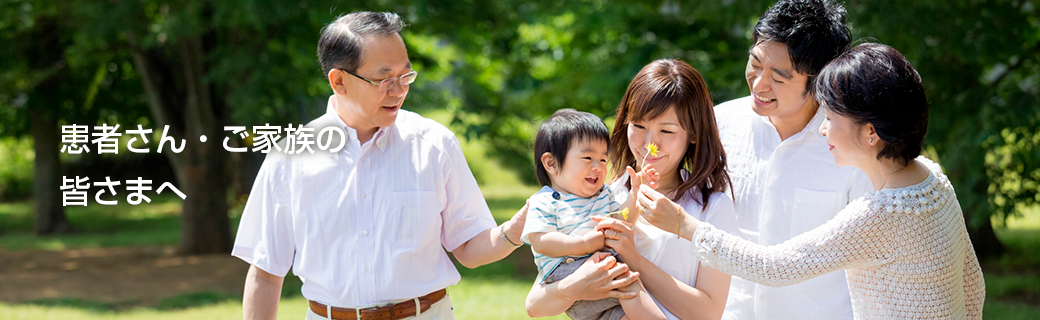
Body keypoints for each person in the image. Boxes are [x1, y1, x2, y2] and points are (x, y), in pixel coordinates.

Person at [635, 43, 986, 319]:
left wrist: (684, 225)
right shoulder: (933, 179)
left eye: (831, 117)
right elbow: (973, 285)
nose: (821, 128)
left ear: (870, 133)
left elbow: (774, 266)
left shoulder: (880, 213)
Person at [232, 12, 526, 320]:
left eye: (405, 76)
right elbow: (266, 271)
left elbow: (468, 246)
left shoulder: (435, 144)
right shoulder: (291, 157)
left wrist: (515, 230)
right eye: (384, 79)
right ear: (339, 81)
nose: (398, 91)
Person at [528, 59, 737, 320]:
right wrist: (577, 285)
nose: (650, 143)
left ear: (693, 133)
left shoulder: (711, 208)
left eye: (667, 130)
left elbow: (708, 313)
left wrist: (634, 260)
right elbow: (535, 305)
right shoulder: (602, 194)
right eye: (639, 126)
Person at [711, 1, 872, 318]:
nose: (759, 84)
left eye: (780, 78)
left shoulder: (854, 149)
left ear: (819, 81)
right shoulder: (718, 126)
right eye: (755, 64)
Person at [521, 108, 664, 320]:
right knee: (627, 280)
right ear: (551, 163)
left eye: (603, 160)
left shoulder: (603, 195)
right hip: (566, 272)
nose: (597, 167)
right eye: (587, 158)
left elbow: (620, 221)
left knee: (619, 315)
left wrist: (635, 195)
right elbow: (541, 241)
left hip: (594, 274)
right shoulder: (545, 201)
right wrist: (584, 245)